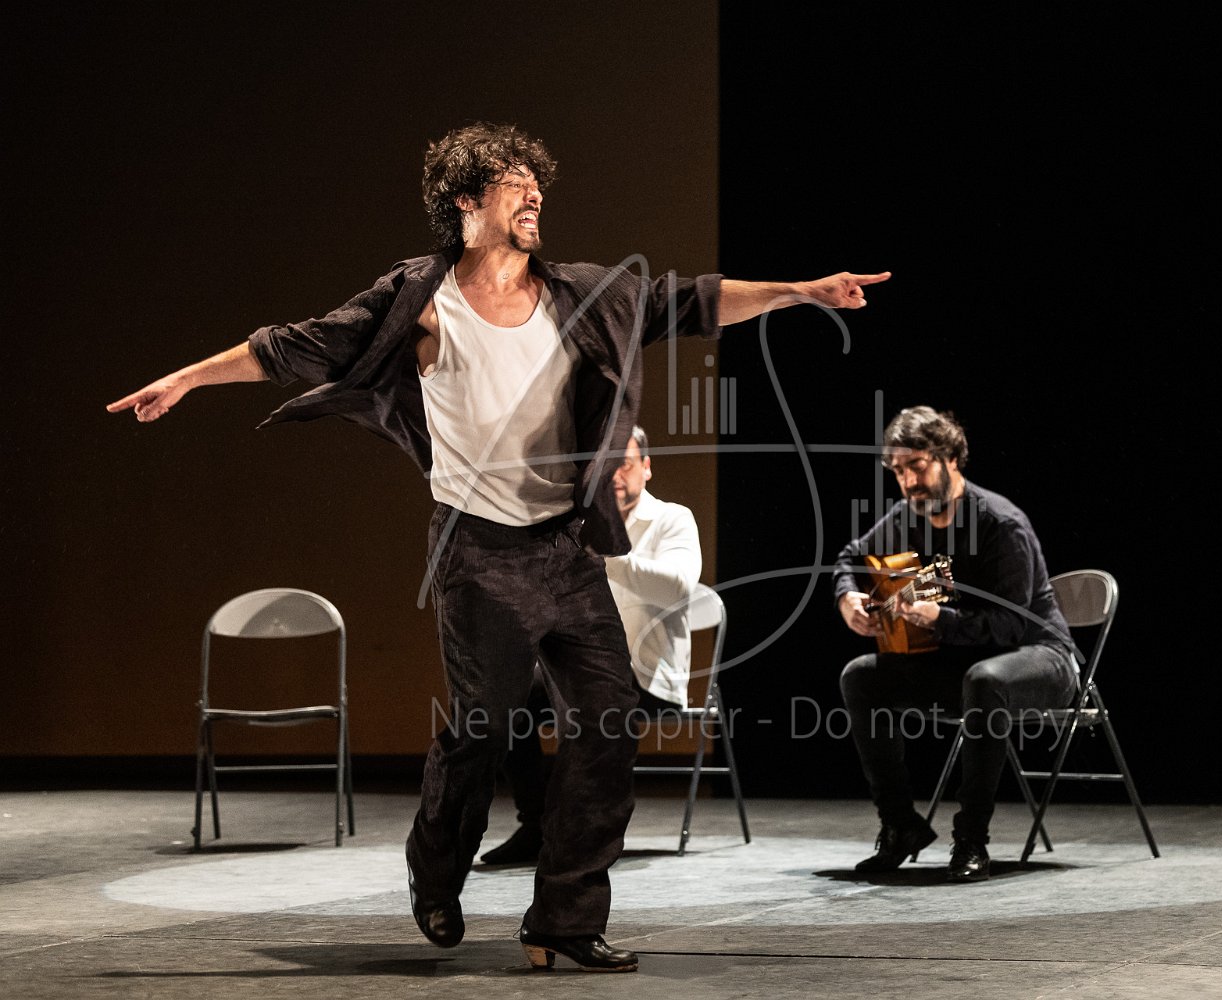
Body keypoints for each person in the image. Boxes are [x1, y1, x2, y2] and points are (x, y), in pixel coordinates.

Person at [107, 121, 888, 972]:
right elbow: (293, 346)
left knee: (609, 722)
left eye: (535, 181)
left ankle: (564, 918)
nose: (534, 193)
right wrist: (187, 378)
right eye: (514, 181)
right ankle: (436, 866)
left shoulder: (582, 295)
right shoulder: (421, 301)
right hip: (476, 550)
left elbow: (691, 300)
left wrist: (802, 292)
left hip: (567, 547)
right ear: (465, 200)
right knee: (483, 728)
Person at [833, 406, 1076, 883]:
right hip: (966, 663)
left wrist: (939, 620)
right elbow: (849, 557)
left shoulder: (1000, 523)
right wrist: (847, 597)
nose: (908, 481)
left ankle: (971, 840)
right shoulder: (907, 517)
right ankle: (900, 825)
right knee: (860, 676)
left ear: (949, 458)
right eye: (898, 471)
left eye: (917, 465)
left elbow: (1011, 625)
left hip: (1041, 658)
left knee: (984, 681)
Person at [479, 424, 702, 866]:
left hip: (648, 674)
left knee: (586, 695)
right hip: (585, 664)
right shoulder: (578, 526)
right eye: (606, 466)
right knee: (506, 696)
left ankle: (578, 829)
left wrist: (604, 552)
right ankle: (537, 823)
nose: (615, 474)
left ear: (647, 467)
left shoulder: (672, 519)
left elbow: (679, 588)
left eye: (625, 464)